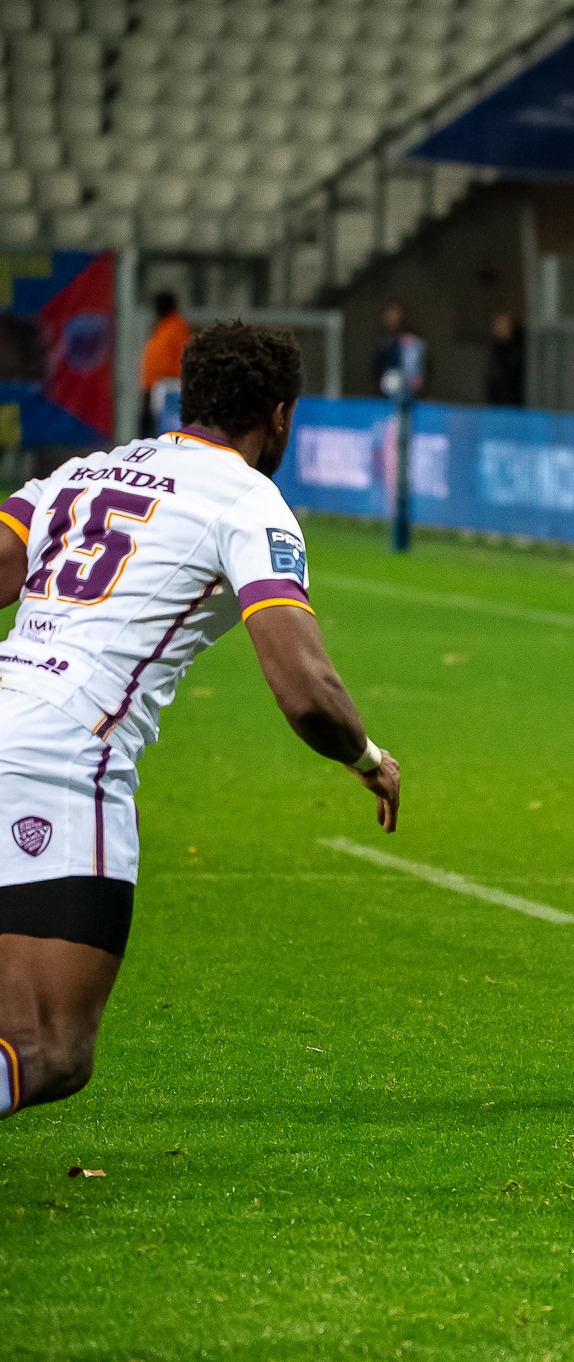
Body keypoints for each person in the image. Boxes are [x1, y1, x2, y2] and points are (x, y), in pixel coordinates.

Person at [0, 322, 401, 1119]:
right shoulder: (248, 501)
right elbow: (304, 689)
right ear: (280, 416)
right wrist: (367, 757)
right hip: (62, 759)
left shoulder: (80, 473)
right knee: (52, 1048)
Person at [137, 291, 188, 439]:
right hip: (152, 383)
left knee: (160, 425)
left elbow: (181, 355)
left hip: (168, 385)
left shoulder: (176, 326)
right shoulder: (162, 325)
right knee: (148, 424)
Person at [484, 311, 524, 408]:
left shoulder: (519, 352)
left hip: (515, 406)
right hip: (495, 405)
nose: (498, 328)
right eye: (497, 325)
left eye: (503, 325)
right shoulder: (496, 351)